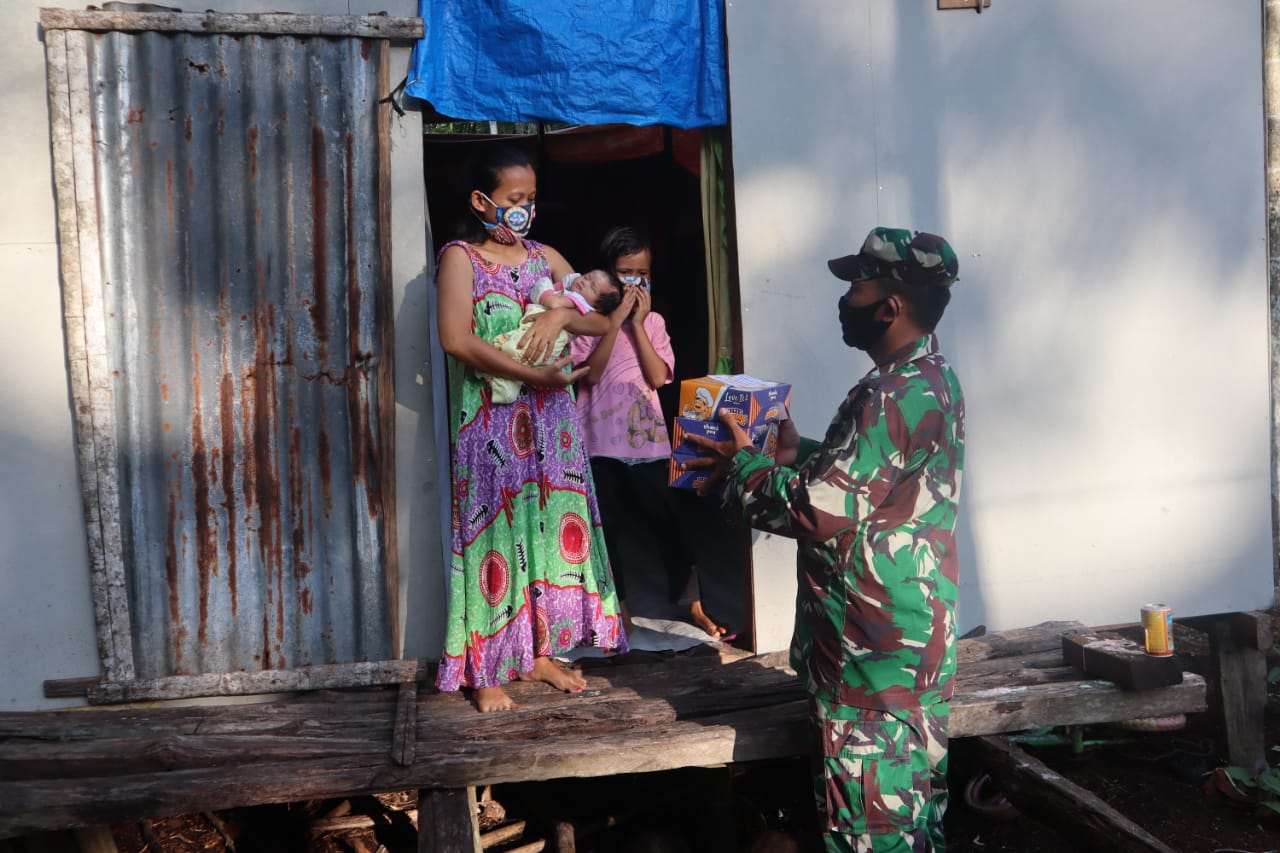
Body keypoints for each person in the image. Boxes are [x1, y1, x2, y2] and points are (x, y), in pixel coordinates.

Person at [684, 227, 964, 851]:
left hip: (871, 656)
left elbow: (819, 512)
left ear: (890, 306)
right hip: (905, 645)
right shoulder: (931, 378)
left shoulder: (889, 394)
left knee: (874, 832)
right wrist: (798, 452)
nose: (847, 299)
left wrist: (745, 469)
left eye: (857, 286)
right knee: (909, 823)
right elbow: (879, 487)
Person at [435, 144, 627, 712]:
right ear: (481, 200)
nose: (525, 210)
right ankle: (486, 667)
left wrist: (563, 313)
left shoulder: (546, 255)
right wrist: (530, 373)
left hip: (551, 426)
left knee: (542, 533)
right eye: (514, 199)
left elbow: (599, 317)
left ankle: (538, 654)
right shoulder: (460, 259)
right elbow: (455, 339)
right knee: (493, 539)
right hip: (491, 424)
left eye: (531, 199)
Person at [569, 226, 731, 640]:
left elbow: (659, 377)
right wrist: (616, 320)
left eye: (643, 273)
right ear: (608, 275)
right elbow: (593, 374)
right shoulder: (587, 321)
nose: (636, 282)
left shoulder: (654, 322)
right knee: (608, 532)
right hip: (600, 448)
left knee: (671, 523)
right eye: (626, 273)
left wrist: (637, 324)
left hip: (649, 448)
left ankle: (694, 603)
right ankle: (618, 610)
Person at [483, 269, 625, 404]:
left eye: (592, 287)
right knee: (519, 357)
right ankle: (501, 382)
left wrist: (546, 288)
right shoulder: (573, 293)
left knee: (519, 353)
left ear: (597, 307)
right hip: (541, 331)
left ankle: (495, 374)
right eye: (587, 276)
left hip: (549, 338)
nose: (584, 282)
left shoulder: (578, 302)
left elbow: (553, 302)